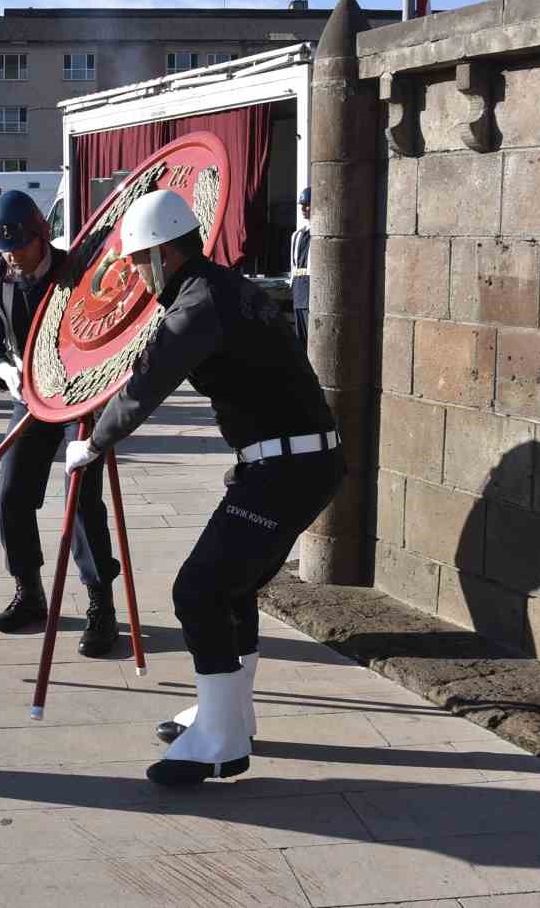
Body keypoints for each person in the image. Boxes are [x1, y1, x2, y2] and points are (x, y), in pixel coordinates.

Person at [63, 190, 343, 786]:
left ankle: (219, 740)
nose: (136, 276)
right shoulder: (223, 286)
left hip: (285, 468)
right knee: (233, 590)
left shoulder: (199, 304)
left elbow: (148, 381)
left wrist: (93, 444)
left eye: (139, 261)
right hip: (290, 463)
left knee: (199, 590)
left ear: (164, 253)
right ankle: (230, 714)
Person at [0, 189, 120, 656]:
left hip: (82, 395)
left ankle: (101, 603)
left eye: (18, 248)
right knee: (10, 493)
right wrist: (3, 370)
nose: (11, 258)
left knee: (81, 498)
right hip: (31, 393)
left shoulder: (77, 270)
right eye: (4, 250)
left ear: (40, 237)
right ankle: (30, 592)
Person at [290, 187, 311, 341]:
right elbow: (294, 264)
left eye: (307, 204)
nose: (303, 209)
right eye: (301, 205)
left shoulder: (317, 234)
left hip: (311, 288)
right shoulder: (297, 235)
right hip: (299, 288)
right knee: (300, 337)